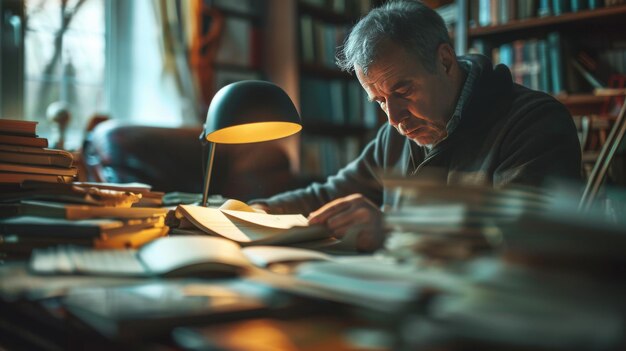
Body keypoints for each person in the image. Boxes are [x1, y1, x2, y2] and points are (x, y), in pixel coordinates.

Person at [251, 0, 581, 251]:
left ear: (445, 61)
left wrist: (392, 230)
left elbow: (522, 240)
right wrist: (256, 211)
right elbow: (328, 195)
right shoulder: (392, 137)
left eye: (403, 91)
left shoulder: (533, 122)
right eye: (379, 101)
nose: (394, 118)